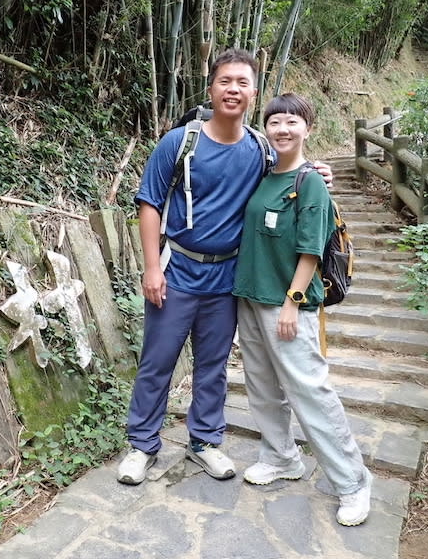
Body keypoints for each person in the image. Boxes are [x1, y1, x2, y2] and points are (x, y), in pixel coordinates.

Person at [116, 49, 331, 485]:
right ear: (211, 87)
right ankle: (142, 445)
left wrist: (318, 173)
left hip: (227, 276)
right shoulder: (180, 142)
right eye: (225, 81)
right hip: (178, 270)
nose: (233, 89)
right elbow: (149, 203)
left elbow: (291, 175)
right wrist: (152, 267)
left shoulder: (260, 148)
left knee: (212, 365)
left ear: (254, 92)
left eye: (243, 83)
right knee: (158, 361)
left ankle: (205, 441)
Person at [232, 92, 372, 526]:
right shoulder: (263, 174)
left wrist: (293, 301)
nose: (284, 129)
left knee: (310, 392)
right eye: (275, 122)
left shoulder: (309, 180)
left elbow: (310, 249)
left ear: (307, 128)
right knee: (261, 387)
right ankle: (281, 458)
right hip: (250, 299)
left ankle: (352, 481)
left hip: (288, 304)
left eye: (293, 122)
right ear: (266, 129)